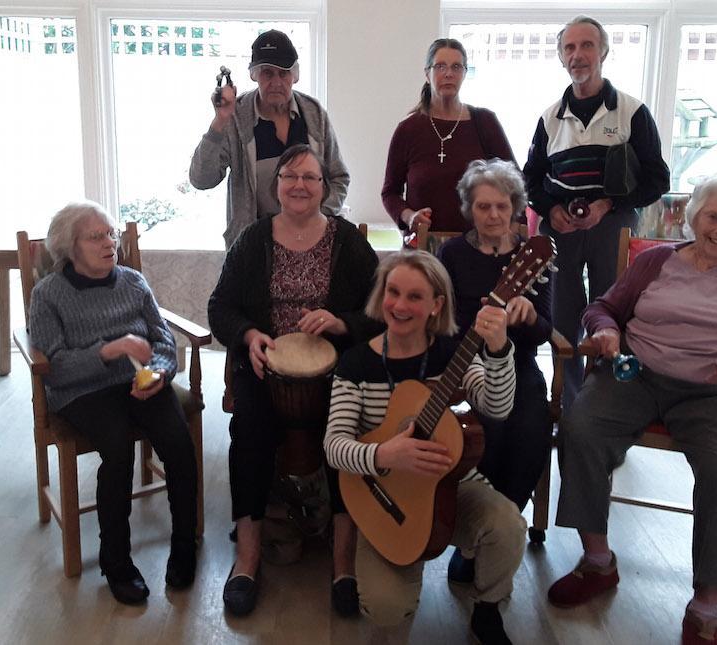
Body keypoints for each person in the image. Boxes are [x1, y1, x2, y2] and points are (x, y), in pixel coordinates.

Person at [548, 174, 717, 645]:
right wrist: (608, 333)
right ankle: (597, 561)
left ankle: (705, 601)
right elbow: (603, 307)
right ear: (693, 217)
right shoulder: (659, 260)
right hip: (635, 375)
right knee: (580, 427)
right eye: (713, 217)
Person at [208, 145, 380, 617]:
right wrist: (250, 336)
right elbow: (220, 307)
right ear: (276, 185)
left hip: (336, 371)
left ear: (325, 188)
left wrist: (342, 324)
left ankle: (343, 563)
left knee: (344, 437)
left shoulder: (347, 242)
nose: (299, 185)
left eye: (310, 177)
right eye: (290, 176)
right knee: (249, 435)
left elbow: (380, 311)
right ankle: (247, 557)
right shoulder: (252, 240)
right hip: (265, 368)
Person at [324, 251, 526, 644]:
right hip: (384, 495)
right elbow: (334, 446)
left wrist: (500, 348)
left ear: (437, 305)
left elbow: (497, 407)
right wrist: (385, 454)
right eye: (393, 292)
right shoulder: (356, 364)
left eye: (415, 297)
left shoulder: (453, 353)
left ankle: (487, 607)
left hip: (452, 487)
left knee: (508, 527)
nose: (399, 305)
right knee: (384, 607)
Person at [28, 202, 198, 604]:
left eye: (111, 234)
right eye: (96, 236)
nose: (109, 243)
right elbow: (56, 369)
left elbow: (163, 341)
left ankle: (185, 545)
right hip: (82, 391)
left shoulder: (134, 283)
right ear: (69, 247)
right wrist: (110, 349)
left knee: (177, 441)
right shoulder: (47, 295)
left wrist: (158, 371)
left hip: (139, 381)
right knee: (117, 450)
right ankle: (116, 562)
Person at [523, 15, 670, 409]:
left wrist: (609, 204)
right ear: (561, 57)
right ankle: (570, 408)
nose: (578, 55)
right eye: (569, 48)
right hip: (563, 231)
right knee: (563, 317)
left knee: (612, 315)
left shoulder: (631, 112)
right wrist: (550, 209)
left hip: (613, 226)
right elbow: (530, 180)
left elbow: (658, 179)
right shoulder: (549, 118)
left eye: (587, 45)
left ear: (603, 52)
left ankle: (607, 408)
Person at [437, 159, 553, 581]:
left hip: (518, 363)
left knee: (529, 432)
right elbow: (441, 321)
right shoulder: (451, 253)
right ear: (470, 208)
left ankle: (500, 530)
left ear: (516, 208)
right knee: (483, 433)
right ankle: (469, 533)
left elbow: (544, 330)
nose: (493, 215)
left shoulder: (533, 255)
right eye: (483, 206)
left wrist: (526, 317)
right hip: (460, 362)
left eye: (501, 206)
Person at [190, 29, 350, 248]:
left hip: (310, 242)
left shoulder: (314, 114)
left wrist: (317, 218)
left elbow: (339, 178)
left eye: (283, 73)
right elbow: (201, 179)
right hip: (253, 247)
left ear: (295, 75)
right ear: (254, 75)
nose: (276, 82)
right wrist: (219, 121)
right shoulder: (236, 117)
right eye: (267, 73)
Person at [382, 38, 516, 235]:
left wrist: (513, 232)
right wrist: (409, 216)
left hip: (478, 247)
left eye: (456, 67)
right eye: (440, 66)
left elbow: (514, 184)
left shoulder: (485, 122)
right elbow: (390, 193)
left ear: (464, 73)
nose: (448, 74)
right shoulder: (408, 129)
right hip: (424, 251)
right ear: (428, 74)